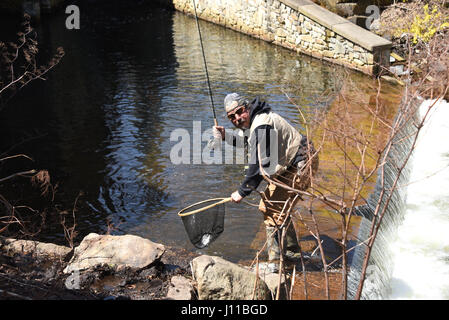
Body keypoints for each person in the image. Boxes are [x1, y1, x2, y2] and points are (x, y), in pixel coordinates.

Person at [214, 93, 319, 270]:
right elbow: (248, 143)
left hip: (301, 163)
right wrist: (226, 136)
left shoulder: (261, 125)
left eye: (239, 112)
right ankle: (292, 253)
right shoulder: (255, 120)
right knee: (273, 207)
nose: (237, 118)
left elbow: (257, 164)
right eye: (232, 117)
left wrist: (242, 191)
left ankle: (276, 264)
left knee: (271, 209)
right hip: (291, 164)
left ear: (246, 108)